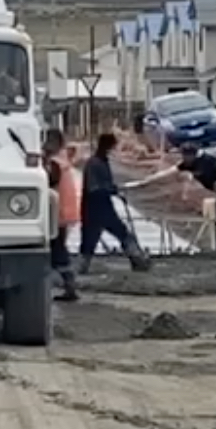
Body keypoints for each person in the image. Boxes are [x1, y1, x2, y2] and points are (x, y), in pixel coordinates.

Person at [79, 130, 148, 266]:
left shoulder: (100, 162)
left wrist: (114, 190)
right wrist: (112, 190)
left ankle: (81, 266)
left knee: (92, 239)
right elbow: (94, 188)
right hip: (97, 207)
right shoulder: (95, 163)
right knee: (118, 234)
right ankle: (137, 258)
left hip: (95, 207)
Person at [43, 127, 82, 301]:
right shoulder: (62, 160)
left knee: (57, 251)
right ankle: (67, 285)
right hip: (64, 213)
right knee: (58, 249)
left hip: (57, 215)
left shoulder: (54, 164)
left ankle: (69, 285)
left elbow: (48, 182)